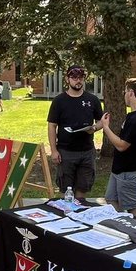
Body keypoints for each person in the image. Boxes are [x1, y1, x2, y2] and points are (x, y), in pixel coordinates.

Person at [46, 64, 103, 199]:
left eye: (81, 78)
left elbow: (102, 121)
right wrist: (54, 150)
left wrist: (94, 128)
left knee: (82, 190)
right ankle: (66, 211)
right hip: (65, 152)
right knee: (65, 192)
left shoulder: (92, 100)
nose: (78, 81)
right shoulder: (59, 101)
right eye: (74, 78)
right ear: (67, 79)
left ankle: (80, 210)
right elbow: (52, 126)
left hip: (87, 152)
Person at [99, 78, 136, 219]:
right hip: (120, 169)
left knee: (132, 207)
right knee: (111, 199)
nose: (124, 95)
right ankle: (120, 225)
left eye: (125, 92)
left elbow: (122, 146)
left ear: (131, 93)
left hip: (130, 171)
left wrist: (105, 127)